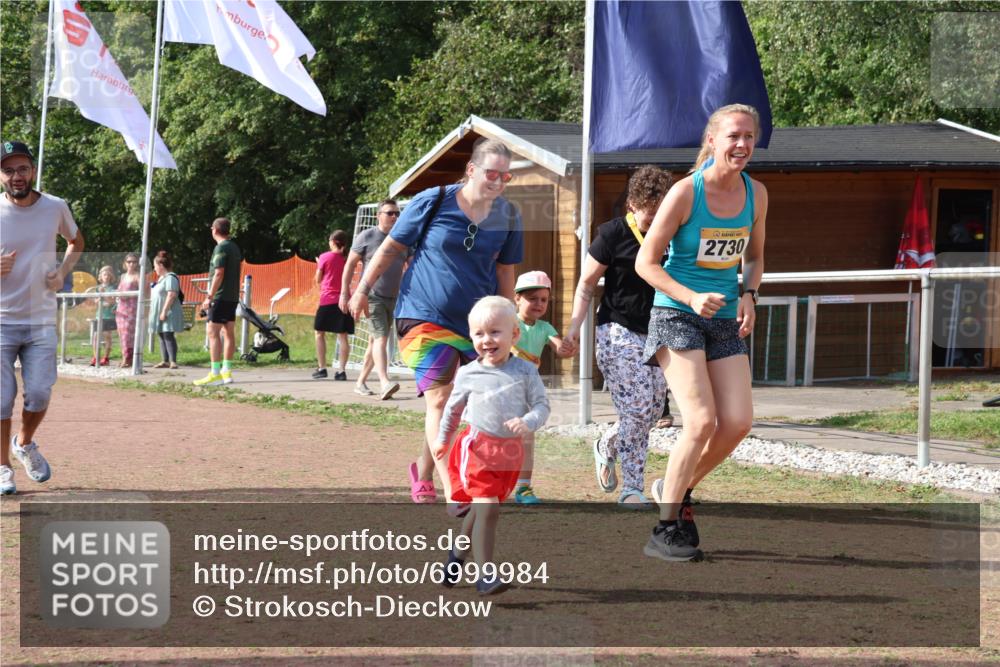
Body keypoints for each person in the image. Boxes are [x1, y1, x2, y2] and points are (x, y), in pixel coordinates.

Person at [349, 138, 523, 511]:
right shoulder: (434, 200)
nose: (497, 181)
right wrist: (362, 289)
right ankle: (455, 490)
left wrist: (508, 321)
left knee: (459, 406)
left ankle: (423, 471)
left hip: (476, 325)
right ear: (471, 170)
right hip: (422, 314)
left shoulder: (508, 215)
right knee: (441, 399)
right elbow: (392, 248)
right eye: (491, 173)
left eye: (505, 176)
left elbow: (505, 269)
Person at [635, 104, 768, 562]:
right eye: (734, 135)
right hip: (677, 313)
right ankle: (665, 527)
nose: (743, 145)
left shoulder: (757, 194)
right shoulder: (684, 193)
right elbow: (645, 263)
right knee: (702, 421)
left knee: (738, 423)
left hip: (726, 317)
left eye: (750, 137)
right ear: (712, 140)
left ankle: (675, 486)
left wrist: (749, 292)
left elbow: (753, 257)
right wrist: (691, 297)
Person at [561, 165, 673, 509]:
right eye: (649, 216)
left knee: (654, 412)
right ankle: (632, 489)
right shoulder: (612, 235)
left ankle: (607, 445)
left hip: (659, 331)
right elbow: (585, 285)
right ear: (632, 207)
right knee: (638, 409)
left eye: (661, 215)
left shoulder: (674, 233)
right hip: (617, 330)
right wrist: (573, 329)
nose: (655, 223)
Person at [434, 296, 549, 595]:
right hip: (477, 450)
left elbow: (541, 405)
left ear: (514, 334)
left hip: (509, 453)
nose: (487, 340)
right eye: (479, 334)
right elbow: (453, 411)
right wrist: (443, 440)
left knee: (482, 509)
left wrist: (529, 422)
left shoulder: (526, 371)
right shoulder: (468, 373)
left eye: (495, 332)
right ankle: (485, 575)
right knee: (488, 510)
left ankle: (456, 556)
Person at [0, 140, 84, 495]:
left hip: (40, 319)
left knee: (39, 393)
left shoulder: (55, 207)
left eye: (22, 169)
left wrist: (63, 271)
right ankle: (3, 468)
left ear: (32, 171)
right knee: (2, 398)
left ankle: (24, 443)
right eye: (8, 170)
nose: (16, 176)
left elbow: (76, 241)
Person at [510, 269, 576, 505]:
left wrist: (567, 348)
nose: (538, 304)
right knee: (495, 435)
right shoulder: (508, 322)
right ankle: (484, 482)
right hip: (502, 388)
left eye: (544, 300)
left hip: (529, 389)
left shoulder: (545, 327)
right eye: (532, 298)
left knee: (526, 436)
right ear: (516, 298)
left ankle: (523, 487)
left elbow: (558, 346)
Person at [340, 199, 409, 400]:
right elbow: (350, 265)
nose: (395, 217)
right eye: (390, 213)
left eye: (397, 213)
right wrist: (345, 293)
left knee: (373, 342)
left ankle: (360, 382)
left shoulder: (403, 239)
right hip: (372, 296)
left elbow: (412, 265)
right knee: (381, 339)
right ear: (379, 215)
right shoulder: (367, 236)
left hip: (394, 297)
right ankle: (384, 382)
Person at [193, 217, 242, 386]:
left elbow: (219, 273)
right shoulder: (234, 247)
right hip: (233, 296)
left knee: (212, 333)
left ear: (215, 230)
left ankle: (215, 372)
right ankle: (226, 371)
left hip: (220, 296)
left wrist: (209, 296)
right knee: (228, 332)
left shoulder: (220, 248)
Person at [312, 230, 354, 381]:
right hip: (344, 299)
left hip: (328, 299)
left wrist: (319, 265)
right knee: (342, 336)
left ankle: (322, 367)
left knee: (319, 332)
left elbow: (318, 279)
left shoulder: (325, 257)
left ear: (334, 242)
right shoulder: (348, 258)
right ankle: (341, 371)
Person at [149, 251, 185, 369]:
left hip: (168, 311)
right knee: (161, 334)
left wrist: (164, 311)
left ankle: (173, 361)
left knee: (168, 334)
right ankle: (165, 360)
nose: (154, 269)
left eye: (155, 266)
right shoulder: (161, 279)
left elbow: (172, 295)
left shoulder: (170, 278)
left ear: (161, 265)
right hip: (159, 311)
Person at [115, 252, 140, 368]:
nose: (131, 264)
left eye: (134, 262)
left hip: (132, 308)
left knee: (128, 334)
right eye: (129, 261)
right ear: (125, 263)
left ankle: (128, 358)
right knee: (121, 334)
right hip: (121, 307)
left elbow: (144, 293)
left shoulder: (138, 276)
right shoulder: (122, 276)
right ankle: (124, 356)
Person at [91, 265, 117, 366]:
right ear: (101, 276)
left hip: (109, 316)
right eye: (104, 274)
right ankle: (95, 356)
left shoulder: (113, 288)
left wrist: (104, 296)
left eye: (108, 274)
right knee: (96, 336)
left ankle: (106, 357)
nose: (106, 276)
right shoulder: (98, 288)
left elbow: (112, 301)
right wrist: (100, 298)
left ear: (111, 276)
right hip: (99, 315)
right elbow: (96, 301)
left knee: (107, 336)